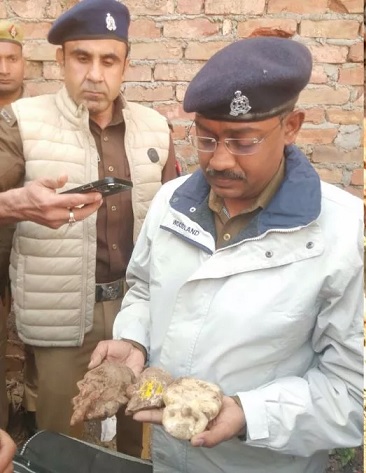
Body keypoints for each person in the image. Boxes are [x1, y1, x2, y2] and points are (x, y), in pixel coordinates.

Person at [88, 37, 364, 472]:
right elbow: (142, 286)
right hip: (166, 454)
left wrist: (249, 414)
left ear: (291, 127)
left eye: (241, 141)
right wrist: (134, 338)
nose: (217, 160)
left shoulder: (342, 232)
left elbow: (353, 390)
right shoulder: (172, 202)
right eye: (206, 138)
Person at [2, 0, 179, 456]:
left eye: (108, 60)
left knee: (139, 430)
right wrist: (13, 204)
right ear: (61, 61)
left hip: (138, 313)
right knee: (62, 438)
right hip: (61, 316)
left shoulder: (155, 129)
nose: (95, 74)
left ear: (125, 65)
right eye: (82, 58)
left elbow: (177, 219)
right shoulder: (22, 124)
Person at [0, 19, 25, 431]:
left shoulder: (42, 116)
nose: (3, 67)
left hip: (41, 246)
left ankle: (38, 420)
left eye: (11, 58)